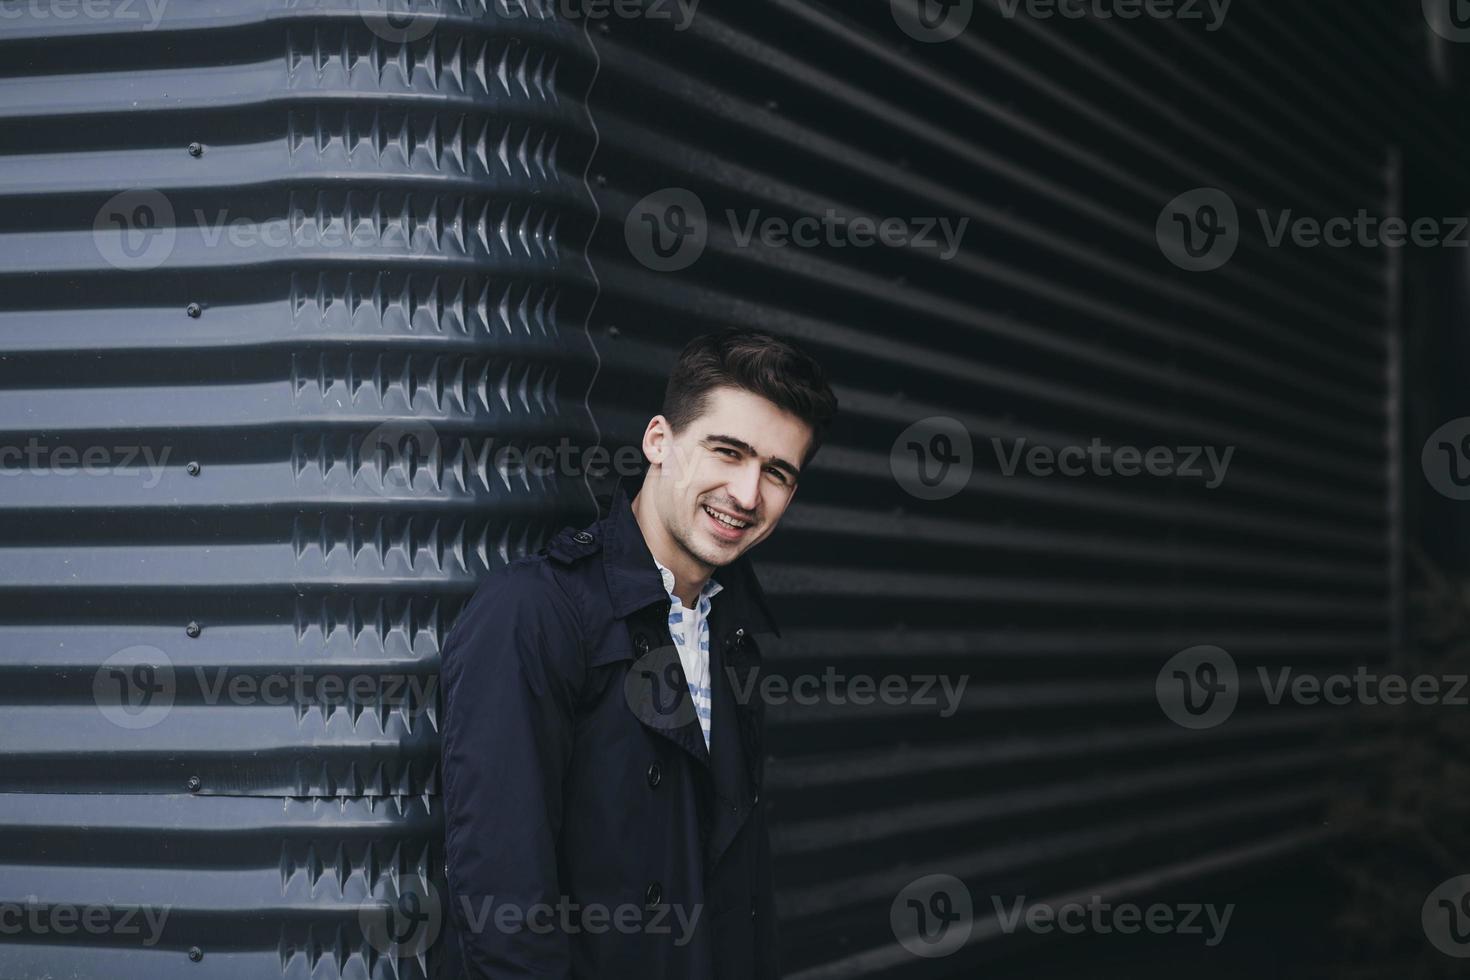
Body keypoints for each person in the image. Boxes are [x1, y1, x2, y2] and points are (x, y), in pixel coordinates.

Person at [440, 328, 838, 979]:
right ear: (659, 441)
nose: (746, 494)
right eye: (727, 451)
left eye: (776, 472)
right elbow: (503, 910)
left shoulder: (733, 634)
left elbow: (741, 895)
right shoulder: (535, 613)